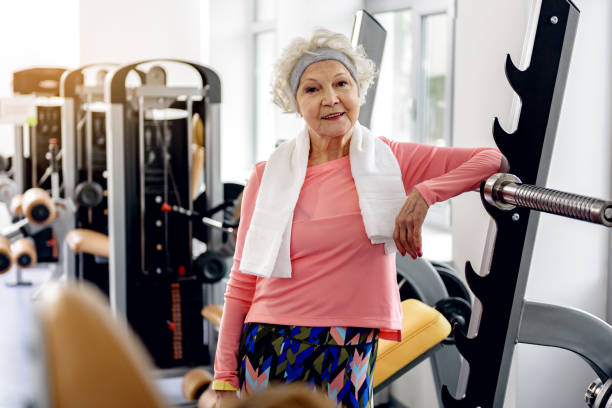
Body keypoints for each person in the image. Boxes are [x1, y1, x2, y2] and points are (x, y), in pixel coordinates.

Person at [212, 29, 505, 407]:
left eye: (341, 83)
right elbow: (241, 281)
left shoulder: (391, 159)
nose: (331, 98)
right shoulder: (268, 176)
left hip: (348, 344)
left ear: (359, 91)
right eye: (312, 89)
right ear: (295, 103)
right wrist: (223, 381)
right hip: (270, 341)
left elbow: (491, 160)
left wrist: (425, 194)